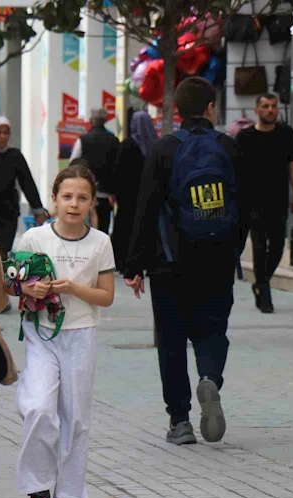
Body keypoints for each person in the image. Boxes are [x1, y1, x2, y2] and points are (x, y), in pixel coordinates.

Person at [123, 77, 248, 446]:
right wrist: (233, 250)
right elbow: (246, 209)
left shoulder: (163, 149)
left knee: (172, 341)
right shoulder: (228, 147)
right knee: (212, 330)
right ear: (212, 108)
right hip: (217, 260)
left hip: (169, 263)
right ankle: (209, 377)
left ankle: (180, 421)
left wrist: (133, 265)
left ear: (176, 109)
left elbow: (143, 208)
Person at [6, 165, 115, 498]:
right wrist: (27, 289)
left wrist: (72, 288)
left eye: (82, 198)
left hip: (81, 334)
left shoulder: (100, 242)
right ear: (54, 199)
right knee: (38, 407)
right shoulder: (34, 238)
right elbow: (10, 284)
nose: (73, 204)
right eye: (67, 196)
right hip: (41, 334)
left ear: (90, 203)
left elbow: (106, 296)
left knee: (76, 419)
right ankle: (39, 489)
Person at [236, 93, 293, 313]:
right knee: (258, 245)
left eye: (273, 106)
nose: (270, 110)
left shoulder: (286, 134)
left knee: (277, 247)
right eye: (265, 106)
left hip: (278, 200)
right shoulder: (245, 137)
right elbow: (235, 171)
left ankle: (260, 282)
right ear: (257, 110)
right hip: (251, 202)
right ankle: (264, 293)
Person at [0, 116, 48, 259]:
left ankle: (0, 281)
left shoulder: (14, 155)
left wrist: (37, 209)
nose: (2, 136)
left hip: (8, 213)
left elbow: (27, 182)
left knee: (2, 253)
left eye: (6, 132)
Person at [112, 110, 157, 270]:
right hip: (148, 196)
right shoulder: (156, 146)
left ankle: (123, 261)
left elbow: (117, 172)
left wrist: (115, 193)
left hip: (127, 197)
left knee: (125, 227)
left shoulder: (127, 145)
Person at [70, 109, 120, 233]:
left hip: (85, 192)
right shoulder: (114, 140)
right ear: (105, 121)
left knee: (86, 229)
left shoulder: (83, 140)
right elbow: (118, 166)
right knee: (103, 228)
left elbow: (73, 163)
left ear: (91, 120)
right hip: (107, 195)